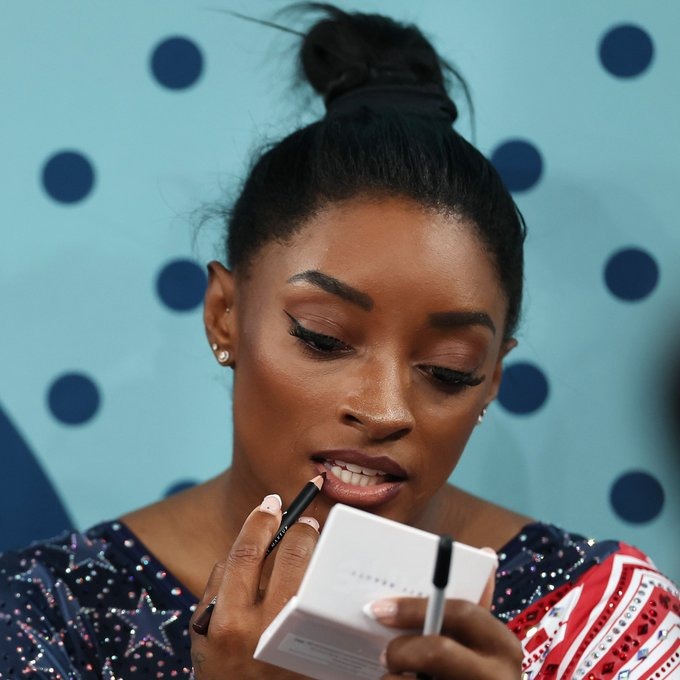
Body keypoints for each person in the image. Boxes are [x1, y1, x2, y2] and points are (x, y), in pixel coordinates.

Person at [1, 6, 678, 679]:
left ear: (495, 377)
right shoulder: (45, 614)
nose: (386, 409)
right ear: (224, 315)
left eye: (449, 371)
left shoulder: (607, 618)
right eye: (323, 339)